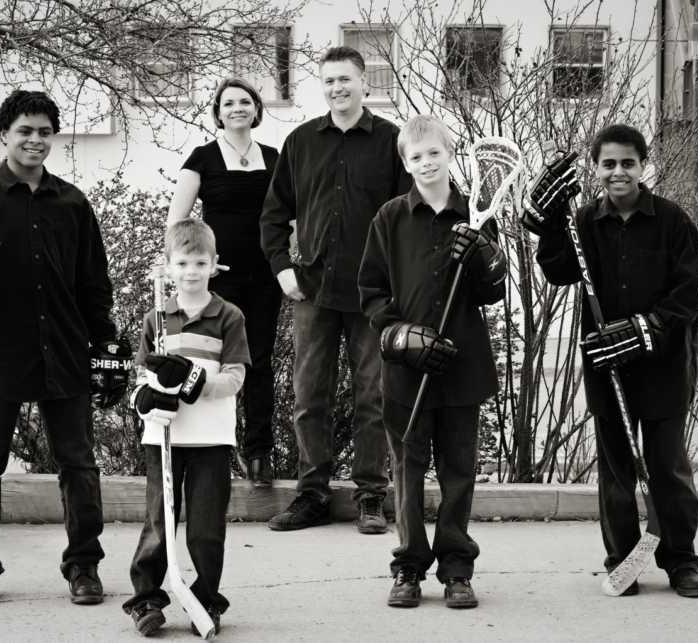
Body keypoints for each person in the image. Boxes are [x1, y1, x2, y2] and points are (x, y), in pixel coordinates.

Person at [0, 89, 130, 606]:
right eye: (25, 130)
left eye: (45, 131)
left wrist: (106, 341)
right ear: (4, 134)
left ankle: (83, 566)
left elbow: (94, 283)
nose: (35, 140)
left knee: (79, 465)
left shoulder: (72, 202)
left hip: (64, 347)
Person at [522, 123, 698, 598]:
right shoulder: (582, 221)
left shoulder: (673, 221)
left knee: (667, 468)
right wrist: (548, 223)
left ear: (643, 166)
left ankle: (681, 561)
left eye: (627, 162)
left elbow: (686, 297)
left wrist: (645, 329)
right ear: (596, 169)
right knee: (616, 472)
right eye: (608, 164)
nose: (618, 172)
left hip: (663, 367)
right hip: (608, 368)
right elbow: (559, 270)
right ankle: (622, 559)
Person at [358, 115, 506, 608]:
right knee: (406, 468)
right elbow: (372, 292)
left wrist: (485, 255)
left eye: (434, 153)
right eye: (416, 157)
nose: (426, 163)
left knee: (458, 470)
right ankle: (408, 567)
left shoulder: (477, 215)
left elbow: (494, 291)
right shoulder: (391, 218)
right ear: (406, 163)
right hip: (407, 372)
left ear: (450, 153)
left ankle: (457, 569)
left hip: (462, 368)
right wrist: (398, 335)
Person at [260, 46, 410, 533]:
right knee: (309, 397)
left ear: (365, 83)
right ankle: (312, 495)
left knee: (374, 396)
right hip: (314, 291)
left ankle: (371, 496)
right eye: (328, 81)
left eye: (345, 79)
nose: (336, 89)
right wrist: (283, 268)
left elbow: (409, 216)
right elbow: (274, 214)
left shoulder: (392, 141)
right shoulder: (301, 141)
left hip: (373, 295)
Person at [122, 219, 250, 636]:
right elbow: (143, 380)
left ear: (214, 266)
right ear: (169, 266)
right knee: (159, 521)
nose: (191, 271)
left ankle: (206, 601)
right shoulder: (156, 319)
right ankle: (146, 600)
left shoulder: (228, 316)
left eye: (200, 262)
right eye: (183, 263)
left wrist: (195, 382)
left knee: (206, 527)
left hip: (211, 438)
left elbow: (234, 378)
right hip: (163, 438)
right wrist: (145, 401)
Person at [168, 77, 281, 488]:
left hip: (266, 278)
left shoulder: (274, 157)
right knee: (215, 363)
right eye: (229, 102)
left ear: (255, 109)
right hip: (220, 282)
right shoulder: (202, 158)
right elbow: (177, 224)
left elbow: (289, 215)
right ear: (218, 111)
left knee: (260, 362)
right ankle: (215, 450)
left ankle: (258, 454)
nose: (237, 108)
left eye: (245, 102)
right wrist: (192, 269)